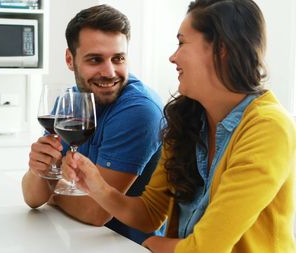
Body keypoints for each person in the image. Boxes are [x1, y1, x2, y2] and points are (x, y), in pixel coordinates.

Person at [62, 0, 296, 252]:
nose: (173, 56)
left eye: (182, 42)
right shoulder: (188, 118)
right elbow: (150, 213)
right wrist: (98, 188)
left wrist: (153, 243)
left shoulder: (268, 128)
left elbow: (205, 249)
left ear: (221, 50)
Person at [21, 4, 165, 243]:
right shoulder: (70, 101)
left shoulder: (139, 111)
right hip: (78, 237)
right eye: (95, 59)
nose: (109, 72)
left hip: (125, 244)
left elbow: (96, 212)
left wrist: (52, 193)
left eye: (118, 58)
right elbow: (33, 198)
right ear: (70, 59)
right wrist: (40, 169)